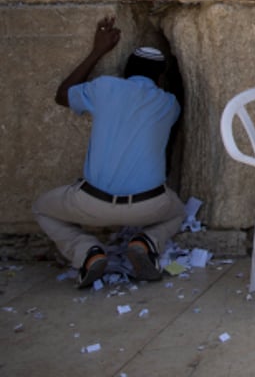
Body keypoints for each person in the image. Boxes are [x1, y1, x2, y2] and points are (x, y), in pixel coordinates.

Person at [33, 17, 187, 288]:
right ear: (160, 78)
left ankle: (87, 252)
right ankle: (146, 241)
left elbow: (62, 95)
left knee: (42, 209)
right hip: (149, 206)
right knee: (178, 212)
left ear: (125, 71)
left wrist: (97, 51)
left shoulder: (105, 87)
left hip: (92, 203)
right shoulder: (169, 104)